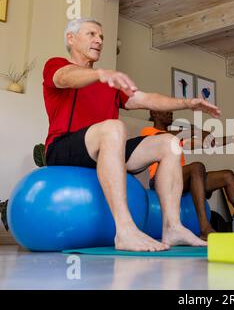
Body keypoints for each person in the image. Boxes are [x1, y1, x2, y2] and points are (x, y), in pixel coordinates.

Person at [43, 18, 221, 252]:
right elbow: (65, 78)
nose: (99, 40)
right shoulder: (57, 64)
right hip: (63, 148)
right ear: (71, 38)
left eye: (101, 37)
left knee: (170, 143)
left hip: (104, 148)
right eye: (92, 34)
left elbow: (146, 99)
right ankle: (125, 230)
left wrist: (187, 102)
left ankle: (173, 227)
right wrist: (99, 74)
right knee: (114, 127)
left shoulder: (109, 83)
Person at [141, 110, 234, 240]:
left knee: (227, 175)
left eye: (171, 112)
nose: (170, 114)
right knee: (197, 167)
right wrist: (196, 131)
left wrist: (231, 139)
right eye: (166, 112)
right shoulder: (148, 132)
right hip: (160, 181)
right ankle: (204, 228)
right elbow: (167, 137)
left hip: (180, 180)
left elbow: (207, 143)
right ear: (154, 115)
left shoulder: (177, 139)